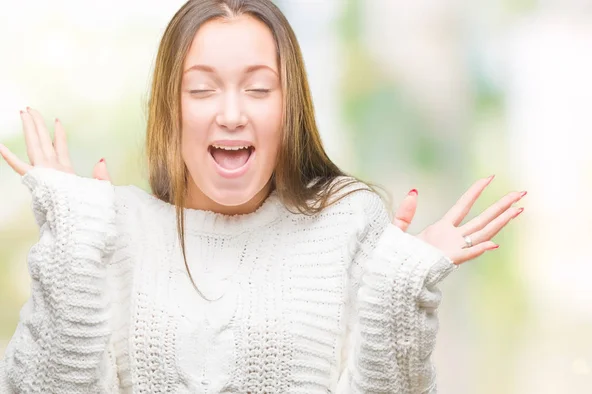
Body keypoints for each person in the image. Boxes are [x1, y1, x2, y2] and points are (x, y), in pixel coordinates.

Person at [0, 0, 526, 393]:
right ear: (170, 109)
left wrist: (403, 286)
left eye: (258, 88)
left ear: (289, 108)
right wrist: (71, 240)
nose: (232, 113)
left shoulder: (345, 221)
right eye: (202, 89)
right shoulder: (116, 226)